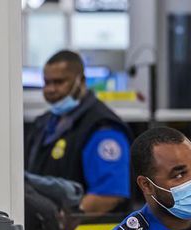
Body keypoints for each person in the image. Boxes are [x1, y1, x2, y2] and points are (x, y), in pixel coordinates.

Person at [25, 50, 132, 214]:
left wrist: (67, 221)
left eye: (59, 82)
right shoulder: (43, 123)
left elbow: (109, 195)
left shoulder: (102, 127)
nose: (51, 89)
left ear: (81, 81)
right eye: (47, 82)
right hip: (43, 228)